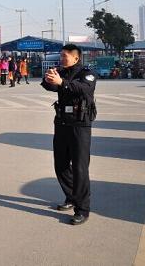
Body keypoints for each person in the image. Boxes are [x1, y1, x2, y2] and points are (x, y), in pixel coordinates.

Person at [42, 44, 97, 226]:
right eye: (61, 56)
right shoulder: (61, 72)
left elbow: (83, 88)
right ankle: (72, 197)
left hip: (79, 125)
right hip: (62, 123)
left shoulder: (87, 73)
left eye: (65, 56)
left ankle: (82, 209)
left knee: (80, 168)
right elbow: (50, 86)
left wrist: (61, 82)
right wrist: (49, 78)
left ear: (76, 58)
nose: (61, 59)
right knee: (61, 164)